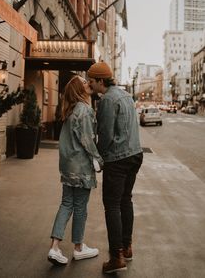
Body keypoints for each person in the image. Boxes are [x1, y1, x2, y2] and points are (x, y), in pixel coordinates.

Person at [87, 62, 143, 274]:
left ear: (101, 81)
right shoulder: (126, 95)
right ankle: (127, 248)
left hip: (118, 160)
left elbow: (106, 136)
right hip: (135, 155)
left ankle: (116, 257)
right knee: (125, 201)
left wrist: (98, 158)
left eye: (91, 81)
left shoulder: (107, 100)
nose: (90, 84)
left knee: (112, 206)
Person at [48, 75, 103, 266]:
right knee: (80, 207)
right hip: (81, 167)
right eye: (84, 83)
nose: (89, 83)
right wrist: (98, 160)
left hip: (67, 166)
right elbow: (87, 140)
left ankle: (54, 247)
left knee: (66, 204)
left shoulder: (70, 111)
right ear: (79, 91)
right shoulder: (85, 111)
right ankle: (79, 248)